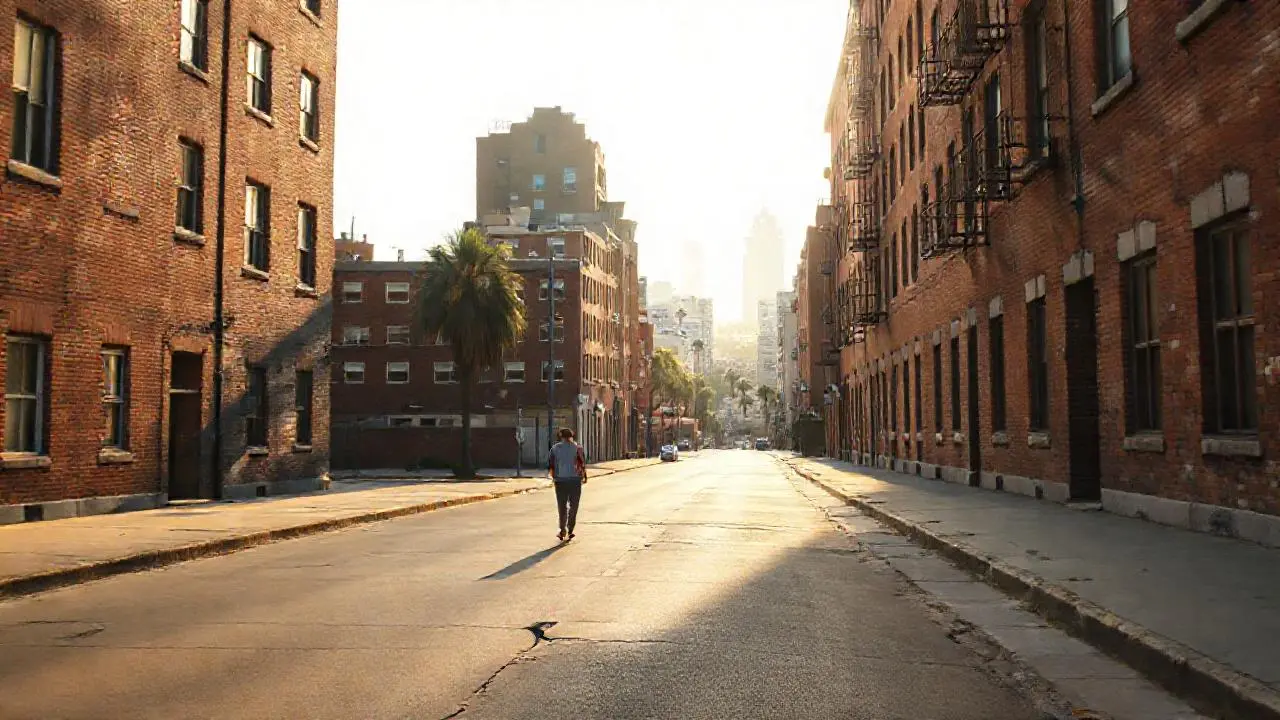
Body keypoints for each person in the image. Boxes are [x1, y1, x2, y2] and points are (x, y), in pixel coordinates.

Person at [548, 427, 587, 542]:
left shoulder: (554, 448)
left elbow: (551, 466)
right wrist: (584, 476)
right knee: (574, 506)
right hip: (575, 481)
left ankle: (562, 529)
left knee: (562, 507)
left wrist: (554, 477)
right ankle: (570, 529)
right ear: (572, 436)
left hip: (560, 481)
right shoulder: (578, 448)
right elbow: (582, 463)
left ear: (561, 437)